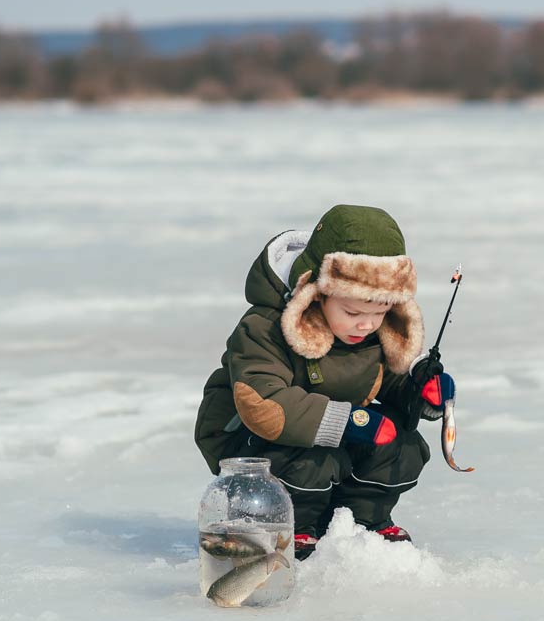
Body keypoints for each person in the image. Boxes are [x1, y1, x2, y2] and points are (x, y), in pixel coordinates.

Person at [194, 204, 455, 559]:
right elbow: (264, 403)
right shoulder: (264, 327)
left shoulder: (371, 329)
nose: (367, 325)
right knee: (314, 462)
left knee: (402, 447)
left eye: (380, 313)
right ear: (314, 291)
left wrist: (419, 390)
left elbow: (382, 380)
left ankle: (361, 524)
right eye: (353, 313)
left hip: (331, 436)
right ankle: (290, 524)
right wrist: (352, 422)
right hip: (251, 444)